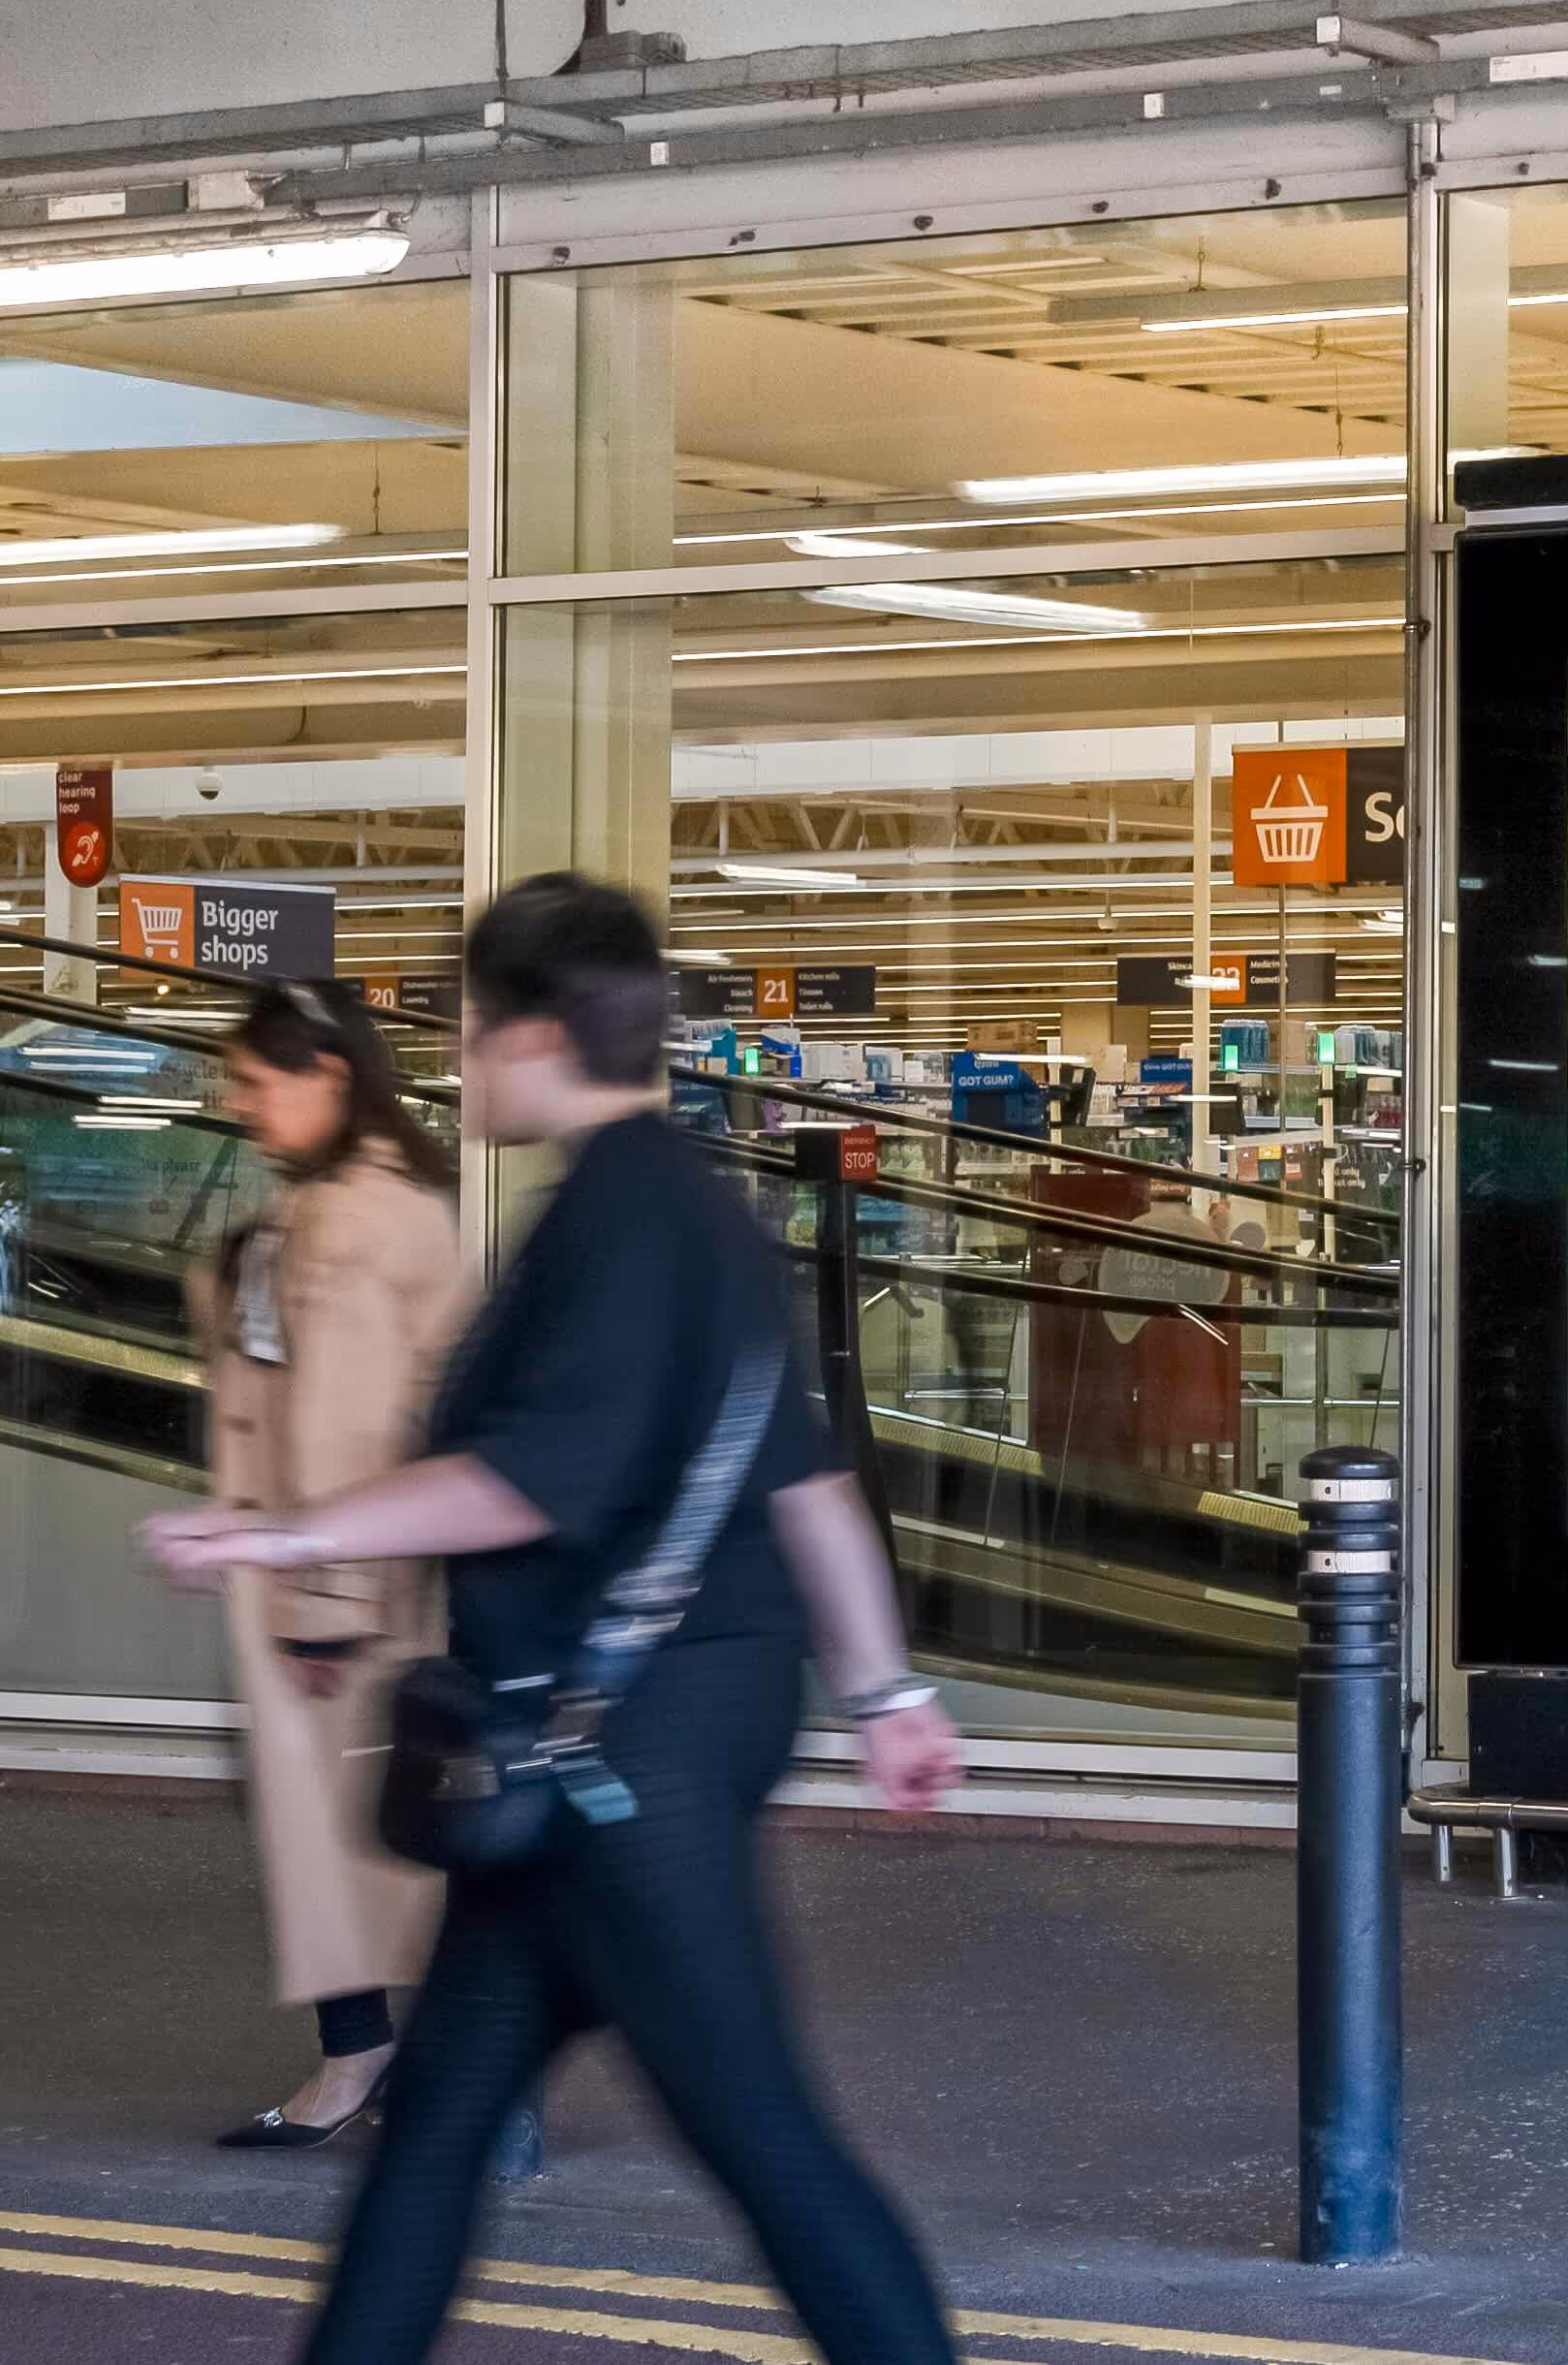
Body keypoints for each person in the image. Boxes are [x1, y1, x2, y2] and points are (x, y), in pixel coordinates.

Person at [143, 873, 968, 2365]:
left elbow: (524, 1484)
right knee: (439, 2127)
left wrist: (288, 1535)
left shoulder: (616, 1220)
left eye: (468, 1033)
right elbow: (807, 1485)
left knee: (766, 2142)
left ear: (531, 1034)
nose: (456, 1068)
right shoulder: (695, 1212)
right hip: (582, 1750)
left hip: (614, 1767)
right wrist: (887, 1693)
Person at [195, 979, 464, 2149]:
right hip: (368, 1573)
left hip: (336, 1584)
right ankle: (433, 2065)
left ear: (330, 1076)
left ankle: (369, 2065)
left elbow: (346, 1430)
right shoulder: (365, 1200)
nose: (239, 1104)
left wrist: (321, 1607)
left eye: (257, 1081)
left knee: (346, 1836)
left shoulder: (349, 1223)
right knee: (376, 1831)